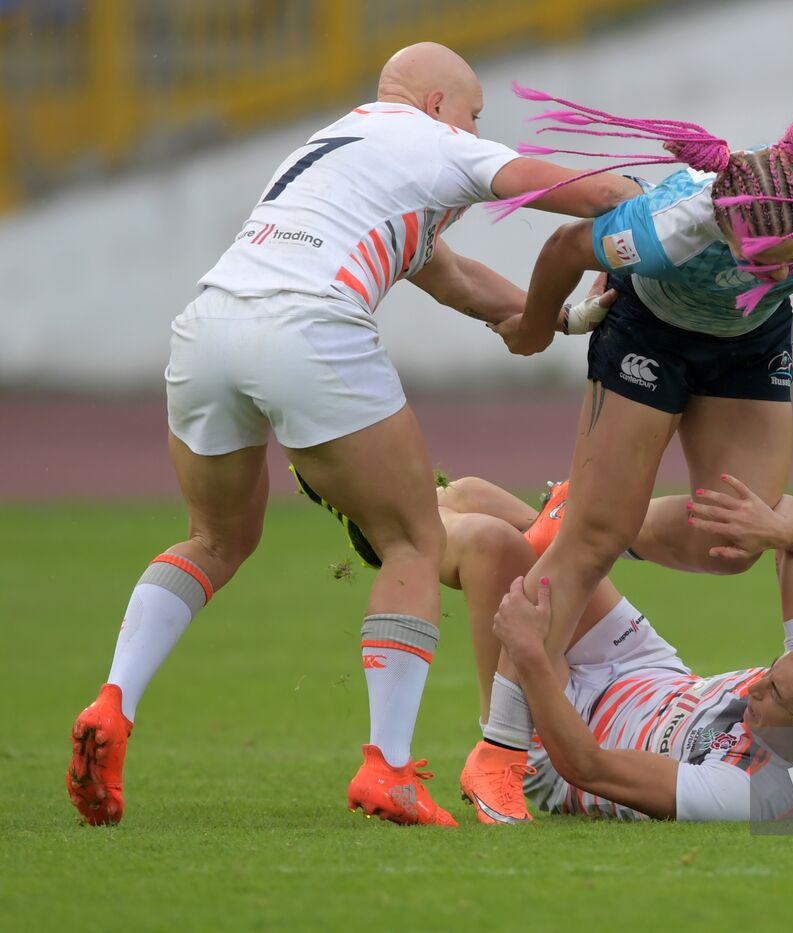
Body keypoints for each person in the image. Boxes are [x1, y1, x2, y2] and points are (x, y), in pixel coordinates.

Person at [64, 43, 639, 828]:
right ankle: (388, 767)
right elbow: (585, 192)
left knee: (213, 538)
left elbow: (461, 281)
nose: (478, 131)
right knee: (411, 538)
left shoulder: (337, 146)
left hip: (208, 326)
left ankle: (113, 702)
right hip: (308, 327)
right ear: (439, 106)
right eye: (476, 115)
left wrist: (563, 316)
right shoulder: (435, 140)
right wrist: (666, 197)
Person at [464, 87, 793, 813]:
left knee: (733, 539)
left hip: (751, 342)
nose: (774, 274)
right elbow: (565, 245)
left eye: (787, 261)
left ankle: (585, 511)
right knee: (589, 544)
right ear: (723, 234)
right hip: (651, 332)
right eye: (757, 263)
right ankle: (499, 752)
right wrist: (539, 325)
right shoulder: (670, 225)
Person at [435, 473, 793, 822]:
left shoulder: (758, 794)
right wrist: (779, 530)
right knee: (473, 494)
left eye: (775, 696)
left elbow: (588, 765)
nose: (754, 690)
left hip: (567, 733)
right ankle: (402, 520)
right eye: (770, 672)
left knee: (491, 543)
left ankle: (399, 539)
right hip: (638, 665)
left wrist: (530, 654)